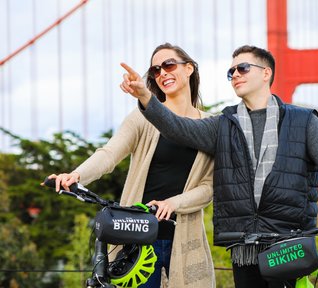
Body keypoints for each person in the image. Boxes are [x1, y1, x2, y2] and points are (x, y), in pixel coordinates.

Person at [120, 45, 318, 288]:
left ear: (266, 73)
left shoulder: (304, 121)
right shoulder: (223, 125)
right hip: (243, 245)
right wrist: (145, 96)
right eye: (231, 72)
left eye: (242, 68)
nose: (235, 75)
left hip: (289, 244)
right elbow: (178, 128)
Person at [47, 43, 215, 288]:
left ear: (189, 68)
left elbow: (209, 187)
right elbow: (109, 154)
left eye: (169, 65)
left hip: (186, 239)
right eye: (156, 70)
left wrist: (173, 203)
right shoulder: (143, 116)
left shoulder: (212, 124)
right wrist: (76, 175)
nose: (163, 73)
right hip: (138, 238)